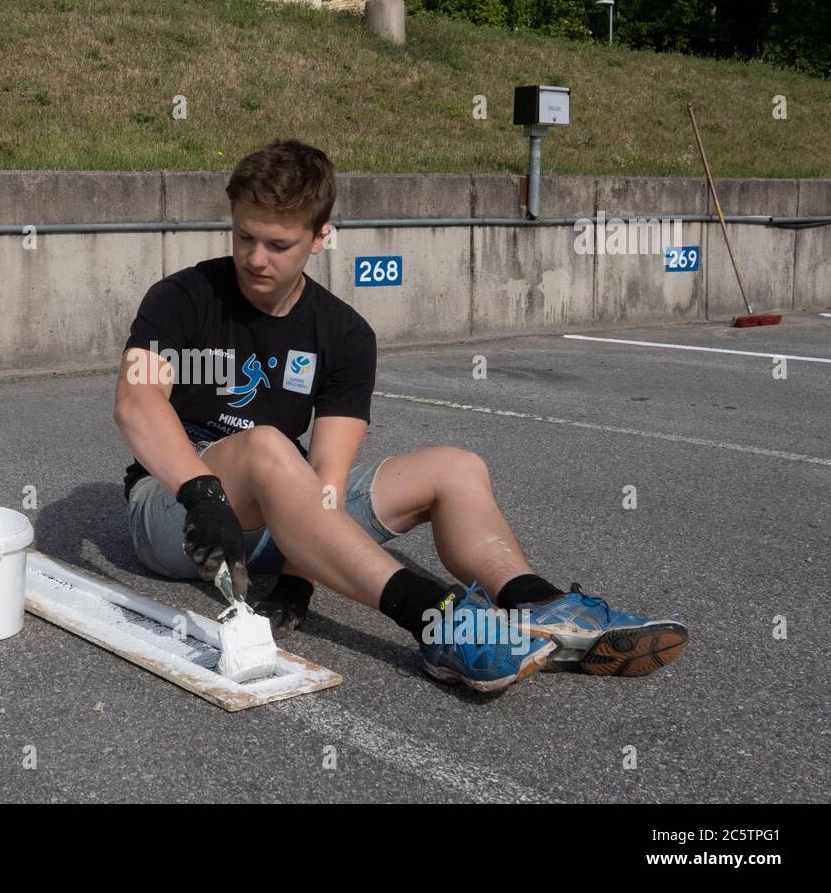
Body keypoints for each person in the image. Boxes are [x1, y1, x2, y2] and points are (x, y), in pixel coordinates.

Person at [112, 139, 688, 692]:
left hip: (284, 516)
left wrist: (296, 580)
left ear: (320, 237)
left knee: (456, 467)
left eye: (278, 244)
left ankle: (535, 603)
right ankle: (433, 619)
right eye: (244, 237)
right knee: (268, 446)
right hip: (180, 515)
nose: (255, 258)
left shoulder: (344, 334)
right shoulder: (183, 297)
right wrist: (201, 489)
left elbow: (328, 478)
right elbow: (137, 400)